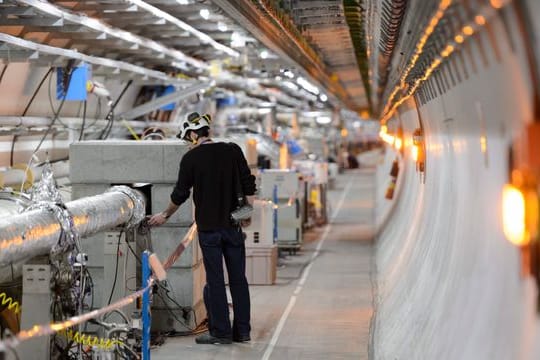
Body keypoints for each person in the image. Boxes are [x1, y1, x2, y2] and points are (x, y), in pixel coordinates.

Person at [148, 112, 256, 345]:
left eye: (189, 136)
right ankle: (243, 331)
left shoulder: (191, 159)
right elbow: (249, 182)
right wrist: (248, 212)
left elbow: (180, 194)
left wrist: (164, 214)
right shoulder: (233, 150)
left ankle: (221, 332)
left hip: (209, 230)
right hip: (233, 225)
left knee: (215, 281)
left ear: (195, 133)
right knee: (238, 279)